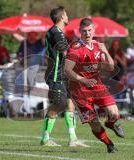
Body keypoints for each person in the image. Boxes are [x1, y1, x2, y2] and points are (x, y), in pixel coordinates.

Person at [64, 18, 125, 153]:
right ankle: (109, 145)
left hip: (97, 87)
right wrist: (83, 80)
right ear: (80, 31)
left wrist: (105, 51)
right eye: (84, 31)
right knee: (95, 124)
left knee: (114, 114)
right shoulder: (75, 48)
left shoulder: (98, 45)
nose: (87, 33)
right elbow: (67, 70)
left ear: (94, 30)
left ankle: (111, 124)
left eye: (90, 30)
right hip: (80, 92)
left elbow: (110, 67)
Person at [40, 6, 88, 147]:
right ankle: (45, 138)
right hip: (56, 74)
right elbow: (67, 52)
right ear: (62, 17)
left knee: (70, 104)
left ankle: (73, 139)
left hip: (61, 74)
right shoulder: (56, 32)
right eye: (66, 15)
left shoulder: (57, 32)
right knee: (60, 104)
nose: (68, 17)